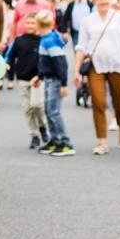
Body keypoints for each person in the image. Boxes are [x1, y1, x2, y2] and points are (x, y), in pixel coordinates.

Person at [76, 0, 120, 154]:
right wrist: (76, 71)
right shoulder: (87, 20)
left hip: (118, 65)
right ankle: (102, 141)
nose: (103, 1)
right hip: (96, 65)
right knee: (99, 102)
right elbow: (81, 46)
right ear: (94, 1)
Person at [35, 11, 75, 155]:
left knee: (53, 112)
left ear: (38, 25)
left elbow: (60, 63)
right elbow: (45, 62)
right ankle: (55, 140)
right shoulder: (48, 38)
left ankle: (65, 143)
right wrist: (39, 76)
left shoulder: (49, 41)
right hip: (48, 78)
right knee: (49, 110)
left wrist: (64, 84)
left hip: (55, 80)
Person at [7, 13, 45, 148]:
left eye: (33, 23)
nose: (30, 25)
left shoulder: (42, 40)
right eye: (28, 23)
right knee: (27, 109)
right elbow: (10, 56)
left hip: (38, 79)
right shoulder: (19, 40)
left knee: (37, 105)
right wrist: (7, 64)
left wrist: (42, 75)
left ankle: (42, 126)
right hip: (22, 78)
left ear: (38, 25)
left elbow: (46, 60)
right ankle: (34, 135)